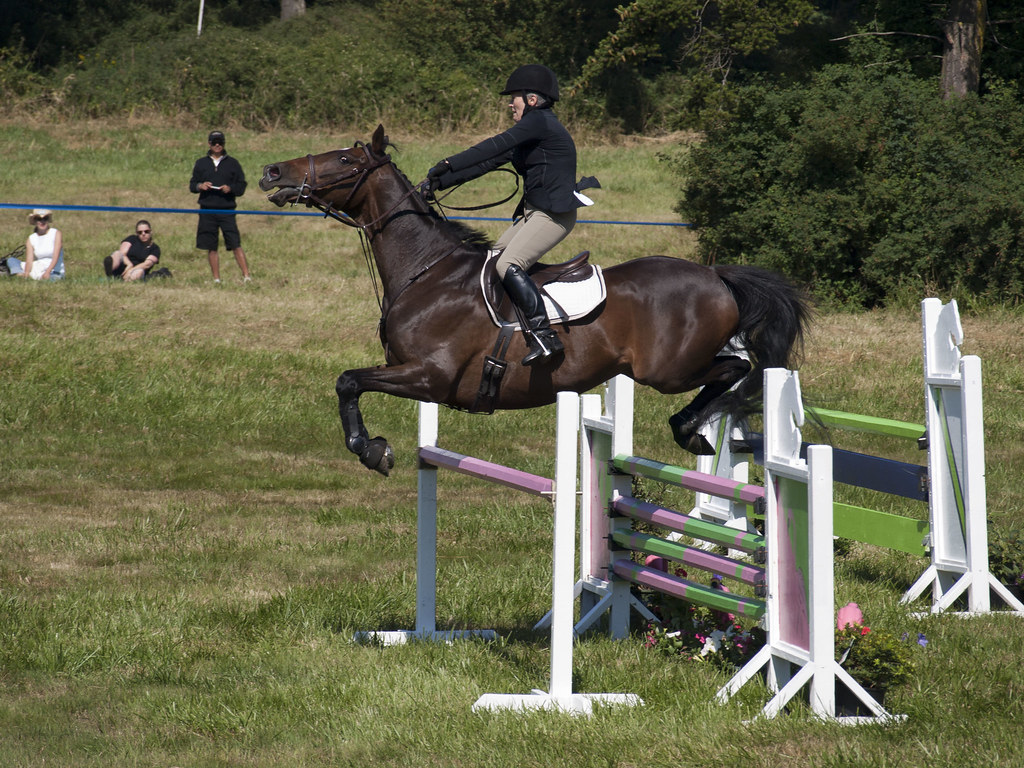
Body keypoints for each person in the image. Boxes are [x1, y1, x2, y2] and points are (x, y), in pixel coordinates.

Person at [425, 64, 592, 366]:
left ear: (531, 100)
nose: (509, 103)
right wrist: (438, 183)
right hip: (535, 214)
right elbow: (487, 162)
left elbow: (493, 144)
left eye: (513, 97)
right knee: (492, 261)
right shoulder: (532, 131)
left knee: (509, 264)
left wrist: (447, 163)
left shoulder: (539, 122)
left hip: (553, 216)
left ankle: (545, 336)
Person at [189, 130, 252, 283]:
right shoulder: (201, 163)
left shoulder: (233, 163)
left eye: (220, 142)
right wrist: (200, 186)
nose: (217, 145)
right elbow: (192, 185)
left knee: (235, 243)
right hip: (207, 209)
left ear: (224, 144)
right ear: (209, 144)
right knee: (211, 246)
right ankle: (216, 279)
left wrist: (230, 188)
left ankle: (247, 276)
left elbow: (241, 186)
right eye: (214, 142)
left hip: (226, 209)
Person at [7, 209, 65, 280]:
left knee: (52, 278)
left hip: (53, 271)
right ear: (35, 221)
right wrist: (27, 273)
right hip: (38, 268)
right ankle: (21, 274)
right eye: (39, 219)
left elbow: (56, 257)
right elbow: (29, 260)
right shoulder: (31, 238)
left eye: (45, 219)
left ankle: (17, 274)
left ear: (48, 221)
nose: (42, 221)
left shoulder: (56, 233)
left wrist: (47, 272)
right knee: (11, 260)